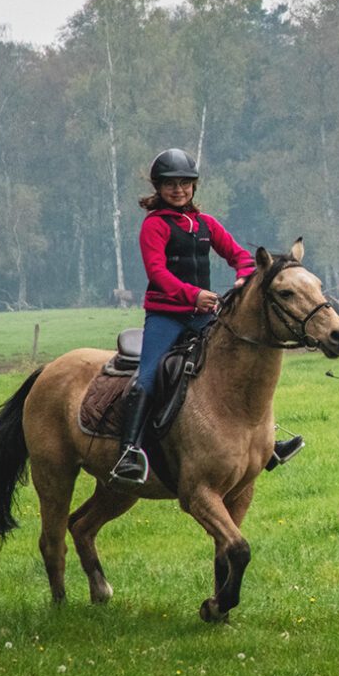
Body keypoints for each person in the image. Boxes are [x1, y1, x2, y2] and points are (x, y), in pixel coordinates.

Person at [111, 149, 301, 484]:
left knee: (241, 367)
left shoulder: (204, 224)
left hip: (204, 315)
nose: (179, 190)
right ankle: (129, 451)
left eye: (185, 183)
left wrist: (245, 275)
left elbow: (238, 254)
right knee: (148, 377)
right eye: (171, 184)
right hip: (166, 316)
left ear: (194, 187)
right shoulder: (154, 226)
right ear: (158, 187)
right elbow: (157, 274)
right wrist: (193, 295)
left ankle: (265, 442)